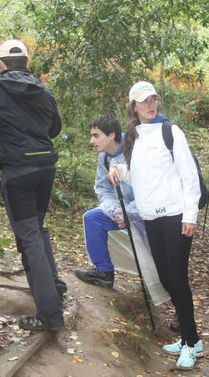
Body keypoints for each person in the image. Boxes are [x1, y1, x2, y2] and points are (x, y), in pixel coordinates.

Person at [108, 81, 202, 370]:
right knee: (164, 276)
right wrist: (120, 171)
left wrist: (190, 215)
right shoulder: (133, 136)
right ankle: (193, 337)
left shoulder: (170, 131)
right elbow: (141, 175)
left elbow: (189, 175)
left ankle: (189, 342)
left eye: (153, 99)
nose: (150, 105)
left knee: (177, 277)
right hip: (151, 217)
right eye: (143, 101)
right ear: (133, 106)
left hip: (175, 215)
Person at [0, 39, 66, 331]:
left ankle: (50, 315)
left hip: (18, 174)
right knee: (36, 230)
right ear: (27, 62)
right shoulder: (44, 90)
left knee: (29, 239)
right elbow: (55, 129)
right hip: (45, 170)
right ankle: (55, 286)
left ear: (1, 63)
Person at [75, 114, 141, 288]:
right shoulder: (104, 157)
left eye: (96, 135)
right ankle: (103, 272)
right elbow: (102, 188)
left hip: (148, 213)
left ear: (111, 135)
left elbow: (150, 191)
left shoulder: (137, 151)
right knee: (92, 218)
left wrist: (129, 213)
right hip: (122, 211)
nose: (91, 141)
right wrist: (116, 211)